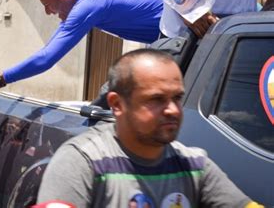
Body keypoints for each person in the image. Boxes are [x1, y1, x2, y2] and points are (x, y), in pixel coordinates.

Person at [37, 49, 262, 207]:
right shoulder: (83, 162)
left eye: (177, 98)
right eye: (156, 99)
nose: (173, 110)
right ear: (117, 104)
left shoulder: (194, 165)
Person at [0, 0, 163, 95]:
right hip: (167, 38)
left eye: (48, 6)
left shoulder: (88, 5)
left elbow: (47, 59)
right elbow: (48, 50)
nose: (48, 13)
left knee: (116, 94)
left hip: (181, 37)